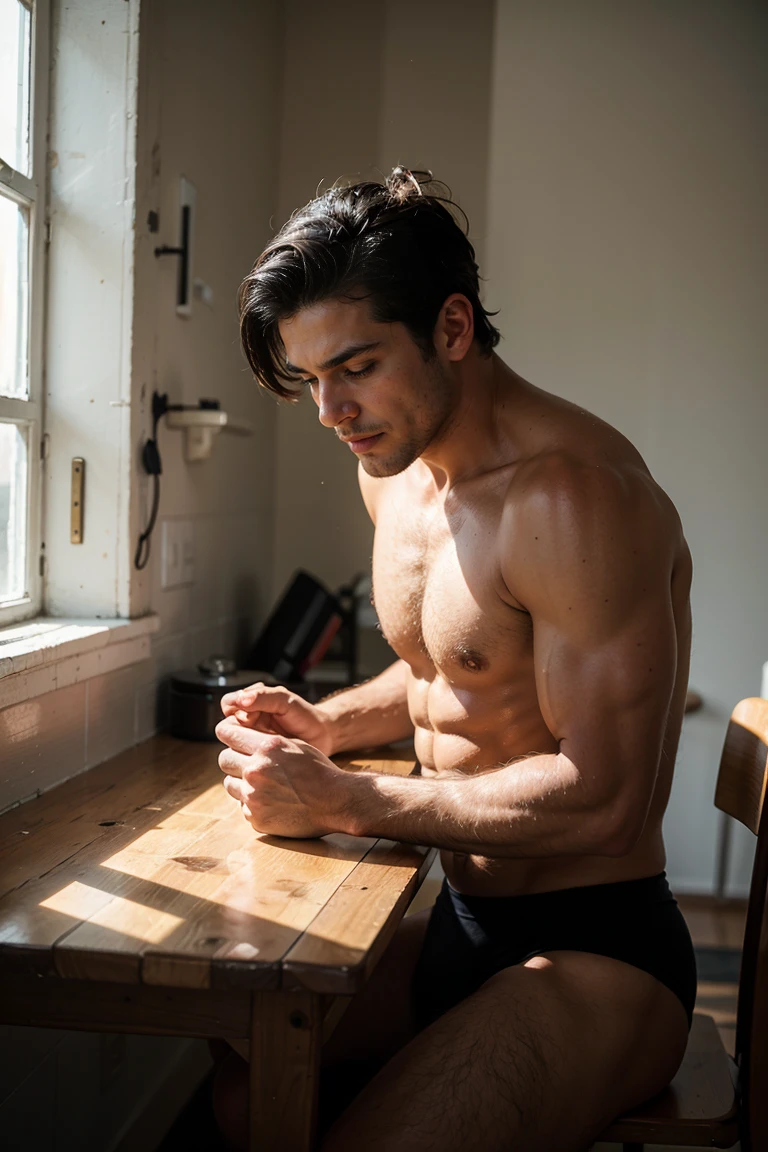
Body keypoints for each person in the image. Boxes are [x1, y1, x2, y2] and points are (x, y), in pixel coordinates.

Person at [214, 168, 696, 1152]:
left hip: (595, 947)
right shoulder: (396, 480)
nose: (330, 411)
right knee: (235, 1087)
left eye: (354, 366)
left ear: (453, 328)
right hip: (457, 924)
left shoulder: (573, 498)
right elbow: (450, 665)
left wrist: (347, 801)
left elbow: (608, 804)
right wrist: (329, 727)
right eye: (311, 380)